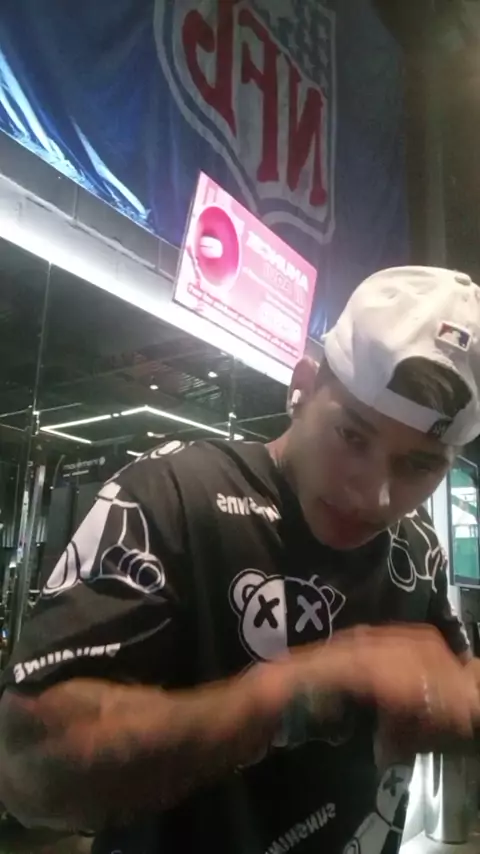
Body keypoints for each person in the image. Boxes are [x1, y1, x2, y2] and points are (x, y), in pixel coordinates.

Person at [1, 265, 480, 854]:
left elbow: (458, 685)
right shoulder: (171, 495)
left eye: (419, 466)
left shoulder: (418, 547)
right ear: (303, 386)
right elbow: (27, 767)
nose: (375, 496)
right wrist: (290, 693)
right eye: (352, 436)